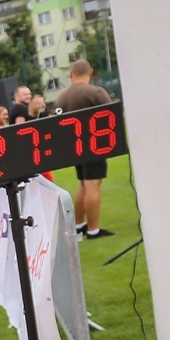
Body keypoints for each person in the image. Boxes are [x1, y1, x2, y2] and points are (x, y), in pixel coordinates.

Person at [53, 59, 116, 237]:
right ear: (91, 72)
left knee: (83, 184)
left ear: (71, 75)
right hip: (94, 146)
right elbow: (111, 117)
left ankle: (79, 224)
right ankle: (94, 230)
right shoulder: (96, 92)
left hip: (74, 148)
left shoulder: (60, 97)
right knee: (92, 184)